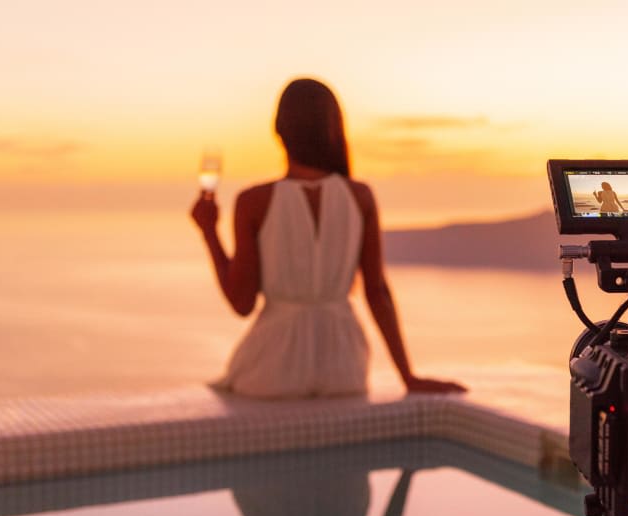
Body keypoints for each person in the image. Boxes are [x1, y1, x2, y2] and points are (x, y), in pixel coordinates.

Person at [190, 78, 464, 397]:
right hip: (343, 368)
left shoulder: (254, 202)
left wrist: (209, 232)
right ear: (334, 129)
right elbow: (377, 293)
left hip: (271, 369)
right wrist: (409, 376)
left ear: (279, 131)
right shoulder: (360, 197)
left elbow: (241, 303)